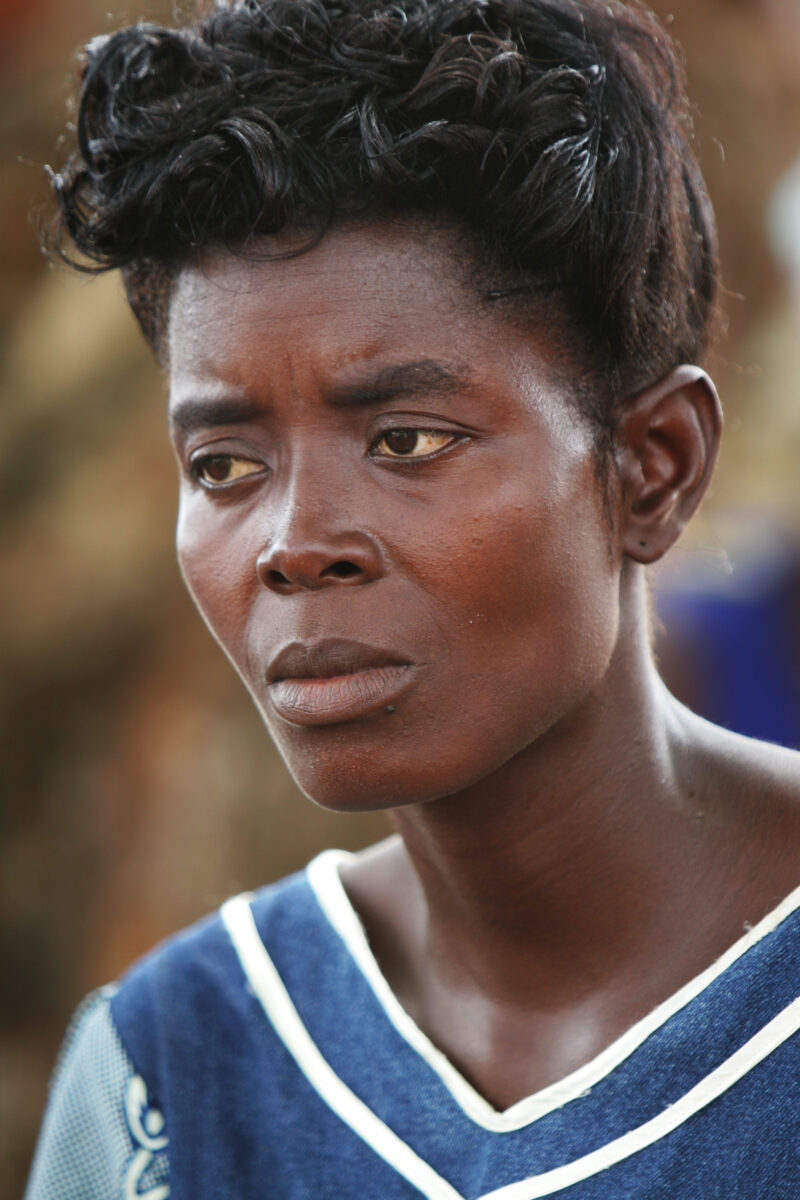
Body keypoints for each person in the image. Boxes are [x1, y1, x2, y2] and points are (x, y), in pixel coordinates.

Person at [26, 0, 800, 1196]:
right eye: (222, 466)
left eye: (406, 439)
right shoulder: (166, 1082)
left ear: (652, 467)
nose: (292, 545)